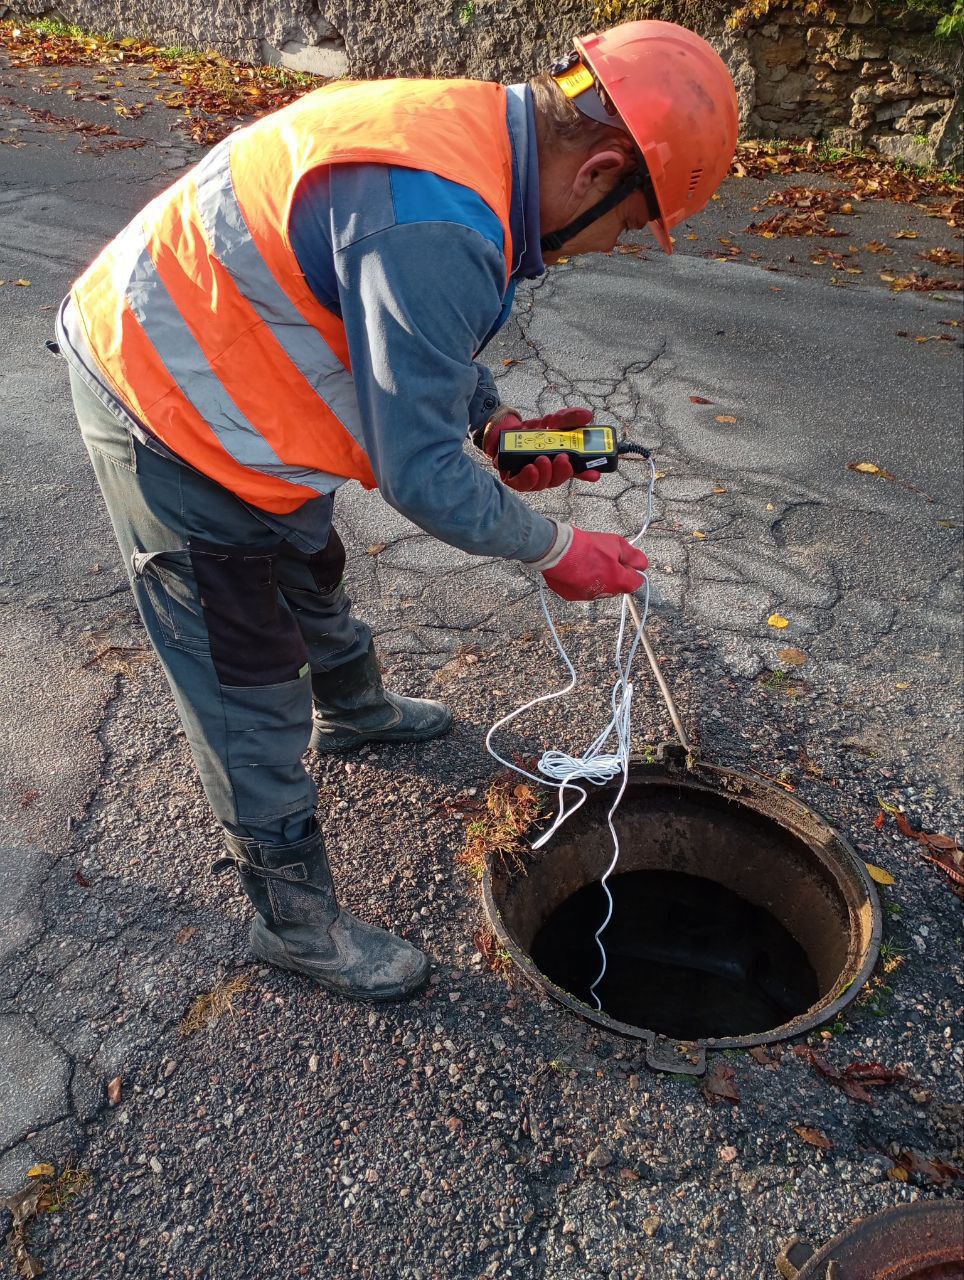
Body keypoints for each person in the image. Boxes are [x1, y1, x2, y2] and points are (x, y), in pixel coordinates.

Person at [55, 21, 738, 1002]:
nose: (608, 247)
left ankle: (353, 710)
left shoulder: (474, 142)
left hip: (235, 365)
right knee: (243, 663)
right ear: (597, 172)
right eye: (628, 227)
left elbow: (402, 331)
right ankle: (294, 920)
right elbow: (417, 471)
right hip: (162, 395)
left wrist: (494, 423)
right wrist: (555, 548)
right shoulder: (441, 219)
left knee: (306, 558)